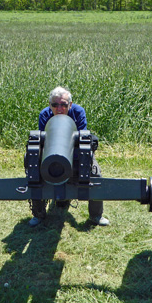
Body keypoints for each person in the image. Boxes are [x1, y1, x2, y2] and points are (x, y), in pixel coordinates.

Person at [28, 86, 110, 227]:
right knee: (33, 172)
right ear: (50, 105)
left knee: (96, 175)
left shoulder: (78, 112)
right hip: (50, 154)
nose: (59, 108)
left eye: (63, 105)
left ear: (70, 105)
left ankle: (96, 215)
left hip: (76, 152)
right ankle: (39, 214)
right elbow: (43, 141)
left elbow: (81, 138)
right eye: (55, 105)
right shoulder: (44, 115)